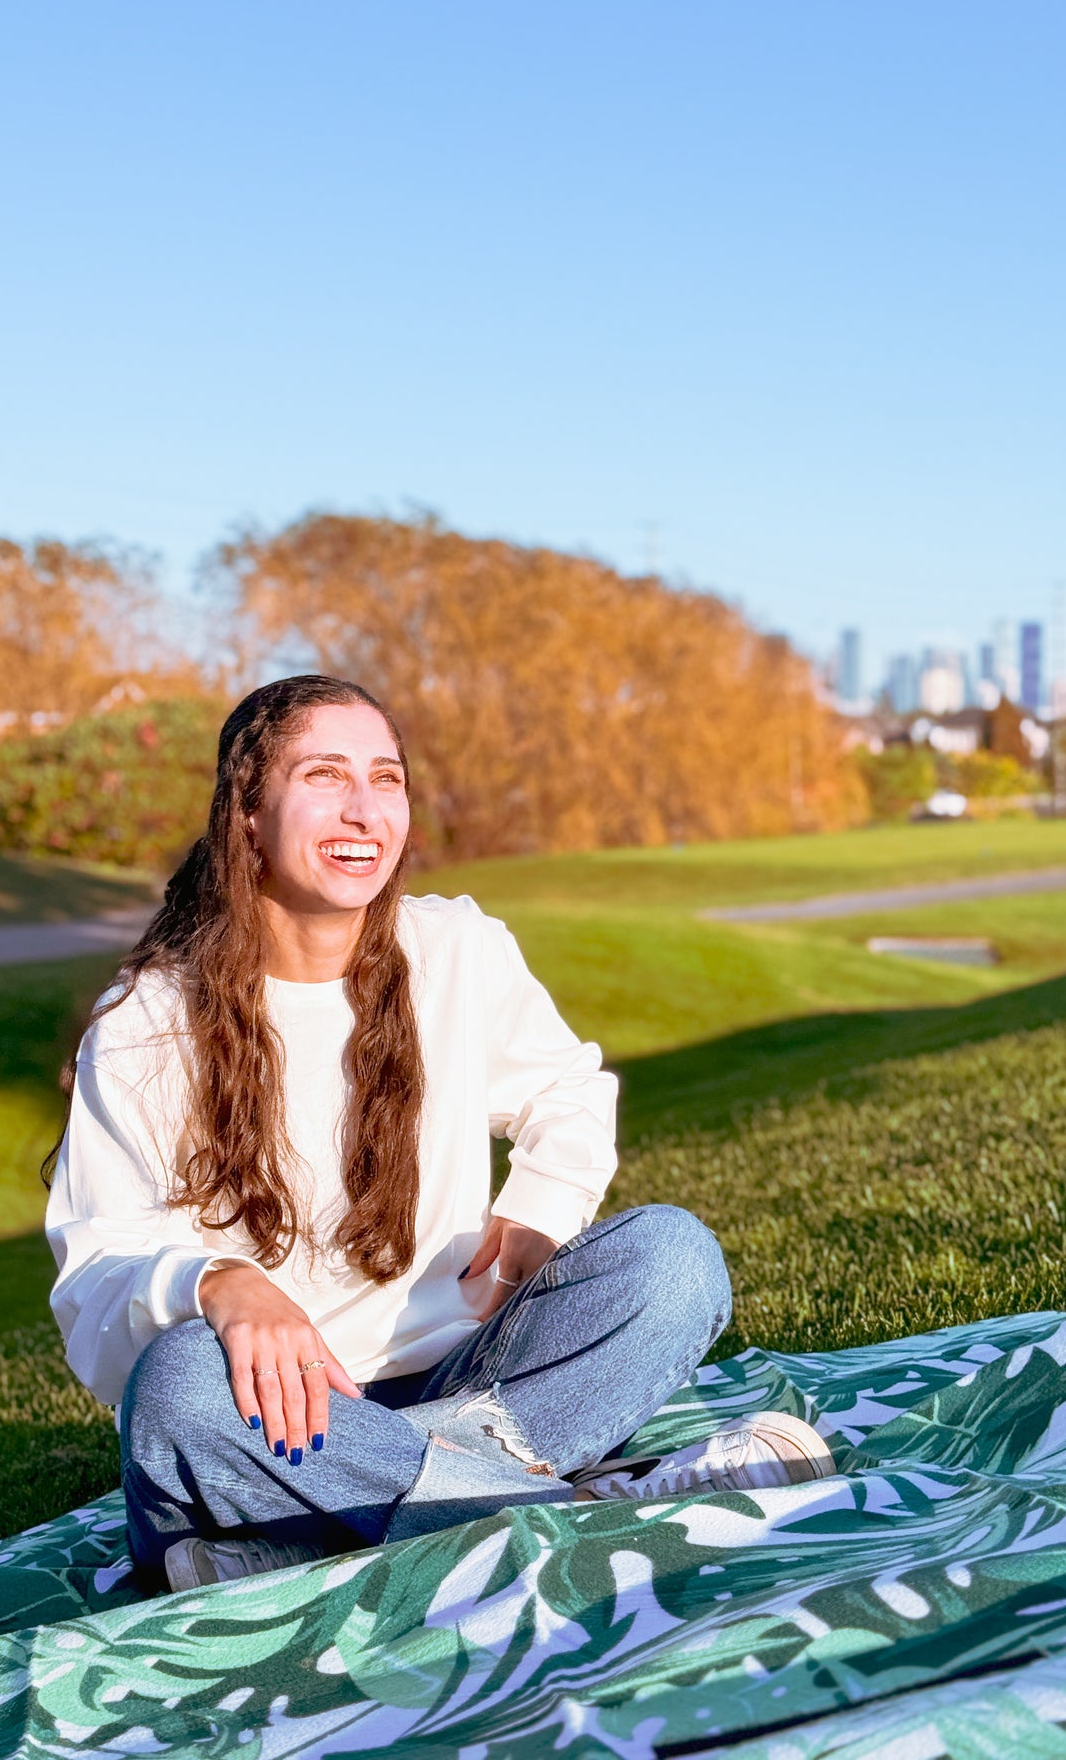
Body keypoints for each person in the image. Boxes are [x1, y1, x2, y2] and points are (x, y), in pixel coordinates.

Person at [46, 675, 834, 1591]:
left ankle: (331, 1527)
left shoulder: (455, 949)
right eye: (325, 775)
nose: (364, 809)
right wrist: (215, 1281)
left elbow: (567, 1089)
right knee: (179, 1386)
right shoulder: (148, 1019)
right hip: (274, 1416)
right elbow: (94, 1277)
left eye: (386, 778)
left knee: (672, 1259)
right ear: (247, 813)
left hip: (472, 1381)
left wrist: (540, 1208)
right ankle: (582, 1509)